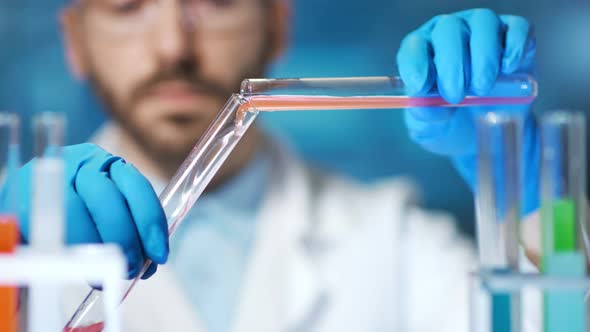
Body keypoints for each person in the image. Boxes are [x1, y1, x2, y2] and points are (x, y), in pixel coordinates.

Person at [9, 2, 538, 331]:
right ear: (76, 40)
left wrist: (526, 196)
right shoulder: (15, 228)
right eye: (127, 6)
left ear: (276, 25)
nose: (173, 47)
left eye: (215, 2)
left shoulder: (393, 239)